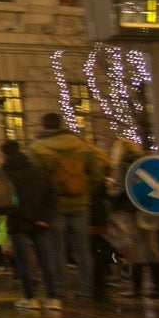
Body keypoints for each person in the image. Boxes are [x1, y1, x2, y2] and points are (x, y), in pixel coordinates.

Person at [28, 112, 106, 301]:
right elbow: (96, 176)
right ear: (61, 124)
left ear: (44, 126)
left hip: (54, 206)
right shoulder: (83, 146)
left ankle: (59, 291)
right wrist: (84, 192)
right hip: (81, 204)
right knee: (83, 250)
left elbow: (35, 182)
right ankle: (86, 290)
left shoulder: (37, 148)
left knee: (57, 250)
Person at [1, 139, 63, 311]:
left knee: (23, 262)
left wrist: (29, 217)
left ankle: (30, 298)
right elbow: (52, 197)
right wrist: (43, 217)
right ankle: (54, 298)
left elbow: (9, 202)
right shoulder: (39, 172)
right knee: (46, 261)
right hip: (41, 223)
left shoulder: (5, 175)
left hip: (19, 222)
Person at [105, 138, 159, 299]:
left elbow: (122, 192)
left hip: (129, 211)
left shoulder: (124, 165)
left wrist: (109, 191)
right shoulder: (146, 162)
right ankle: (158, 288)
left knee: (133, 250)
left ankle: (136, 289)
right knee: (152, 248)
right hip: (148, 209)